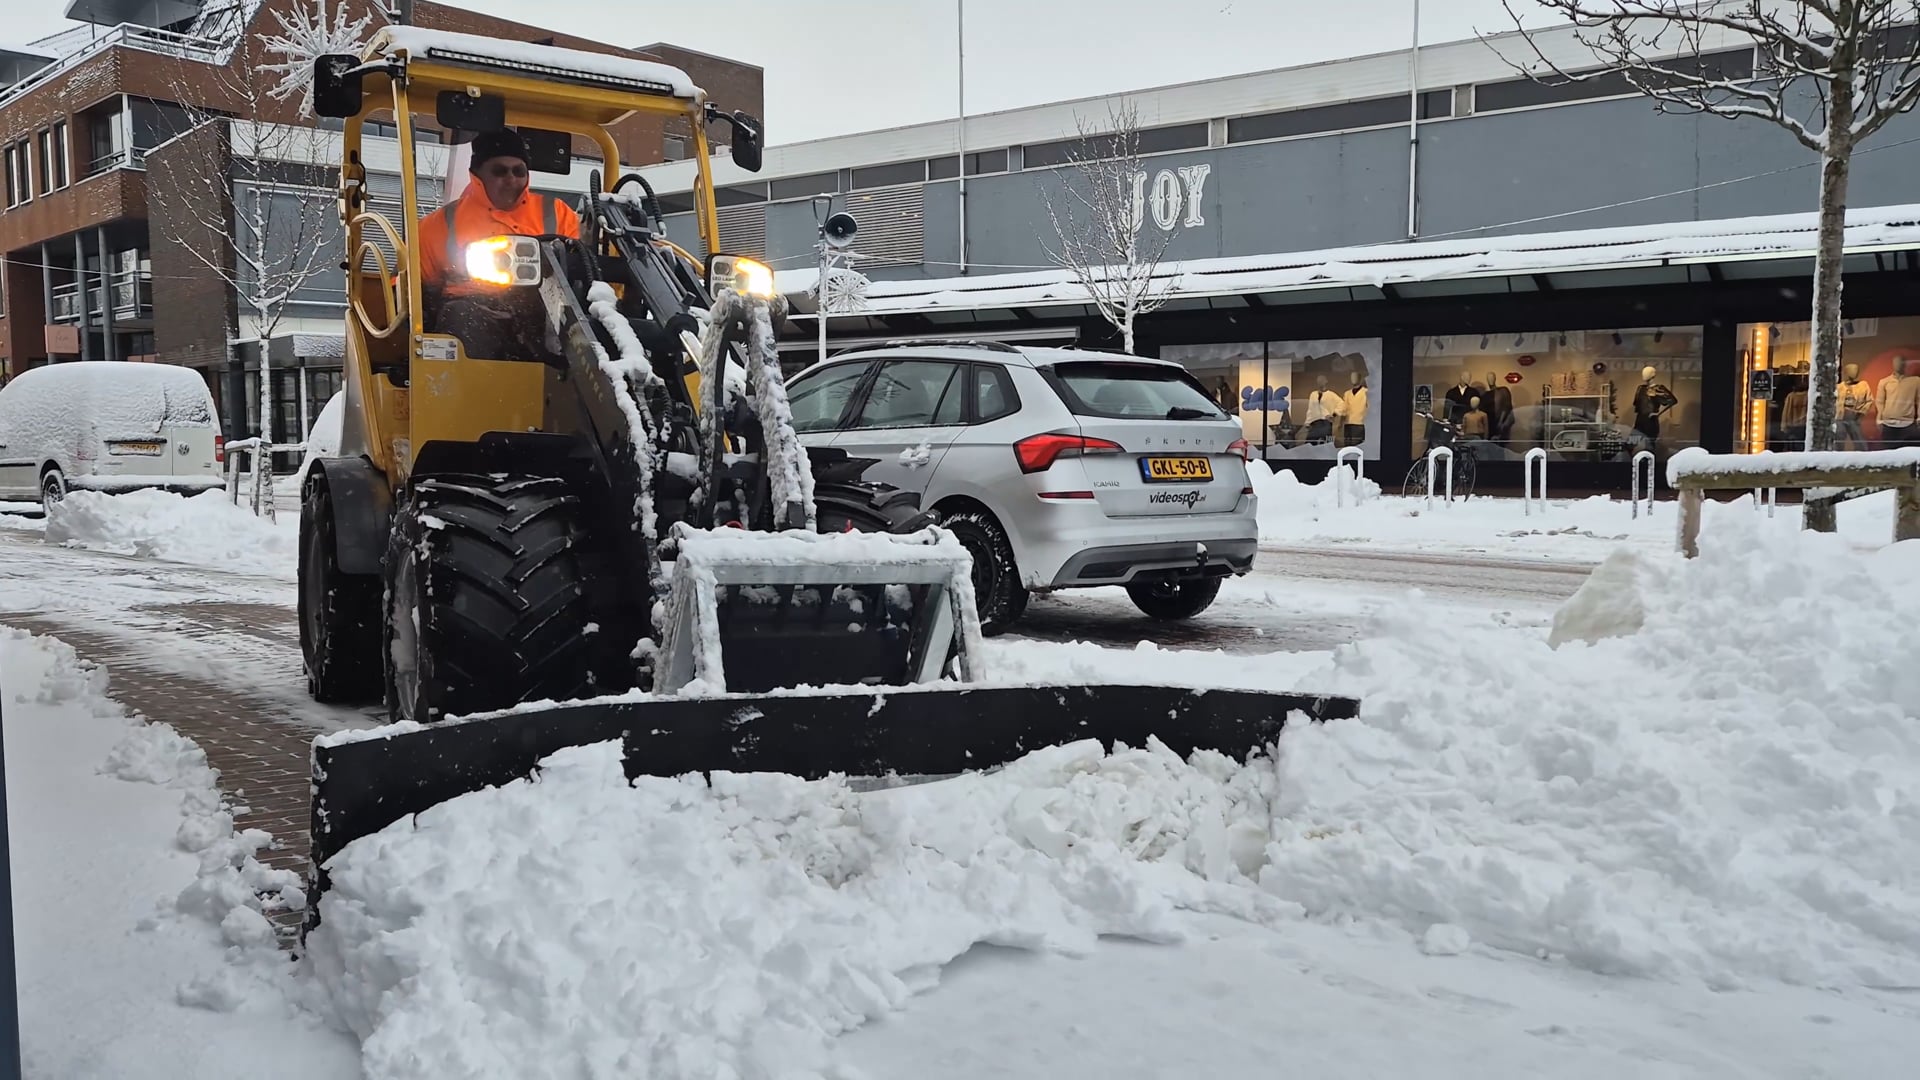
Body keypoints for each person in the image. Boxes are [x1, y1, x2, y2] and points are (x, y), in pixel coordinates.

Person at [417, 128, 580, 360]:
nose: (511, 179)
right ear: (478, 175)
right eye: (500, 171)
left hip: (544, 313)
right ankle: (467, 391)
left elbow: (585, 263)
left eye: (518, 171)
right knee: (462, 319)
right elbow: (411, 286)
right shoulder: (442, 224)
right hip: (473, 311)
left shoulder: (557, 213)